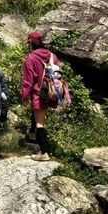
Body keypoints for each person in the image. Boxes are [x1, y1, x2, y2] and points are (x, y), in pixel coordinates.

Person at [21, 31, 71, 162]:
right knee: (38, 113)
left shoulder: (31, 58)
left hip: (39, 93)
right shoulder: (52, 55)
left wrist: (24, 96)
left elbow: (28, 81)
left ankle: (44, 152)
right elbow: (58, 71)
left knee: (40, 123)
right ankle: (31, 134)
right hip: (51, 92)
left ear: (30, 43)